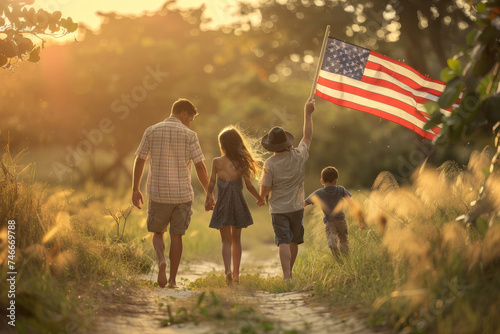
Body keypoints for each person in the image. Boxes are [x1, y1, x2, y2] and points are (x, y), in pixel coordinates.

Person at [132, 98, 215, 288]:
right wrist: (209, 193)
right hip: (182, 195)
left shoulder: (151, 131)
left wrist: (135, 188)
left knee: (158, 232)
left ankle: (161, 260)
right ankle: (172, 281)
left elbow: (139, 160)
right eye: (191, 119)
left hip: (158, 192)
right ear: (185, 114)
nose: (190, 123)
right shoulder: (190, 135)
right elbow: (200, 166)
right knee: (177, 236)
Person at [259, 97, 315, 281]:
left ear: (272, 147)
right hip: (297, 207)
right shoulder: (298, 155)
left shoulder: (270, 163)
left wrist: (261, 197)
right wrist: (307, 113)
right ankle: (289, 271)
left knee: (283, 240)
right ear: (288, 144)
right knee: (293, 240)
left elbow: (266, 188)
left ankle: (286, 276)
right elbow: (307, 136)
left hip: (278, 209)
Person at [205, 127, 266, 285]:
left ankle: (227, 271)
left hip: (223, 203)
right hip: (238, 203)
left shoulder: (217, 162)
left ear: (223, 145)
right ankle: (236, 275)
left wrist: (208, 198)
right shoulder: (241, 162)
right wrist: (260, 198)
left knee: (225, 241)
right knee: (236, 240)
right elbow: (249, 186)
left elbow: (211, 183)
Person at [305, 166, 366, 256]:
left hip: (329, 222)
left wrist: (291, 206)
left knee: (331, 237)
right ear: (336, 180)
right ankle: (345, 259)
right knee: (344, 240)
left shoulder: (319, 192)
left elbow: (305, 203)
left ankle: (333, 245)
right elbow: (352, 205)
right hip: (341, 220)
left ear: (322, 181)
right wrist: (361, 220)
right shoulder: (341, 189)